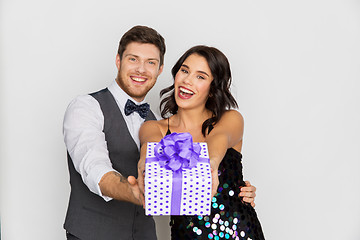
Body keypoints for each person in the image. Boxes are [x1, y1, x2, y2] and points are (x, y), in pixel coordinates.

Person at [63, 25, 257, 240]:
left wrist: (228, 181)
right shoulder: (88, 107)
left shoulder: (156, 117)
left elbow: (219, 139)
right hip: (94, 233)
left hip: (231, 230)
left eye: (150, 62)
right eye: (133, 59)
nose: (141, 69)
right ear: (118, 60)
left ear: (160, 69)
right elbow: (94, 167)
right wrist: (138, 185)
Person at [137, 45, 265, 239]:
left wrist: (210, 166)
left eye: (200, 76)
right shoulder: (154, 128)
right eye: (185, 71)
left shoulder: (230, 119)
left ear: (213, 89)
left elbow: (218, 139)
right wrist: (145, 168)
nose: (187, 80)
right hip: (187, 235)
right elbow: (150, 151)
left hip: (239, 232)